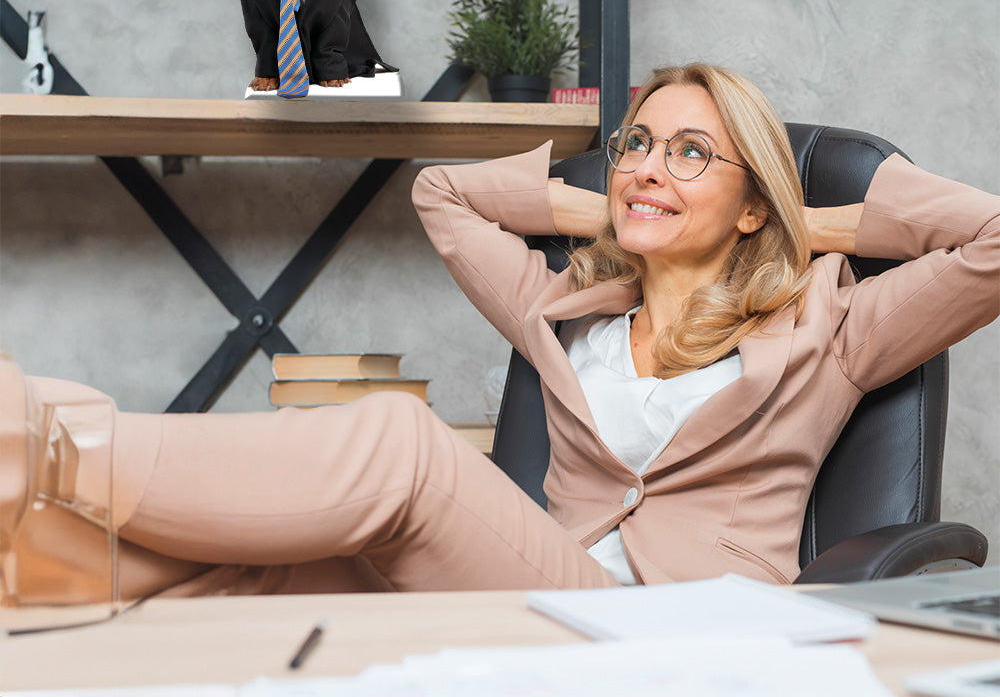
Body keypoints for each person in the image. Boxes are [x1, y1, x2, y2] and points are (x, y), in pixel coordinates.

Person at [2, 64, 997, 605]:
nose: (649, 163)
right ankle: (29, 561)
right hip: (531, 596)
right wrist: (611, 213)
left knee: (393, 442)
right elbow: (442, 192)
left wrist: (810, 221)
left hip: (672, 633)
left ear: (753, 205)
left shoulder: (832, 325)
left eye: (693, 152)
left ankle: (32, 431)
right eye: (637, 144)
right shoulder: (562, 307)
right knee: (263, 568)